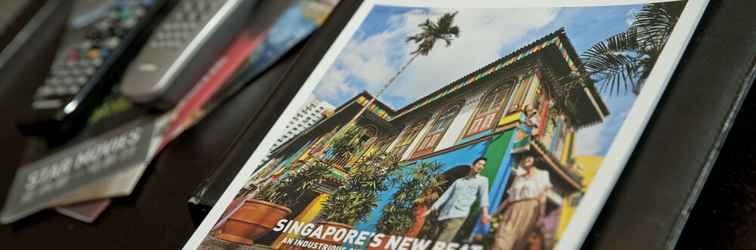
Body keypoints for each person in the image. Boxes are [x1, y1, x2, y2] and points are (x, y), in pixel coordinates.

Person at [424, 157, 491, 243]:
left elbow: (484, 198)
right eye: (479, 164)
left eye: (483, 165)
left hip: (458, 215)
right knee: (432, 241)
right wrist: (432, 209)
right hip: (444, 215)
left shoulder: (483, 181)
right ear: (472, 165)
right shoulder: (458, 181)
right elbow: (445, 196)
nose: (481, 167)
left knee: (441, 243)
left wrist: (485, 214)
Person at [492, 156, 552, 250]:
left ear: (534, 161)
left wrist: (541, 215)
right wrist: (496, 213)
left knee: (520, 240)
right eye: (524, 159)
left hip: (530, 209)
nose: (525, 160)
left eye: (529, 158)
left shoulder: (543, 174)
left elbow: (543, 196)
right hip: (513, 208)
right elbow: (509, 198)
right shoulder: (519, 177)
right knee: (502, 235)